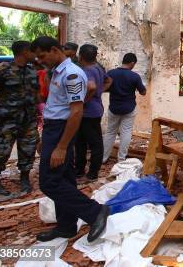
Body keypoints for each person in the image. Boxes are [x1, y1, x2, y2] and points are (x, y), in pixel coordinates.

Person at [30, 36, 108, 242]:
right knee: (63, 179)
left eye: (42, 55)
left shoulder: (72, 74)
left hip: (61, 131)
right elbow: (56, 106)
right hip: (53, 130)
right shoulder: (58, 71)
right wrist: (45, 138)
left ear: (55, 50)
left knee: (49, 182)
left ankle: (95, 212)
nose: (40, 60)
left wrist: (62, 146)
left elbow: (76, 112)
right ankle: (66, 226)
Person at [0, 41, 40, 195]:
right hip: (6, 120)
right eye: (33, 51)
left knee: (28, 150)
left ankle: (24, 179)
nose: (36, 54)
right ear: (25, 52)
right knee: (1, 151)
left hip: (28, 120)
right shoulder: (1, 70)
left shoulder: (32, 71)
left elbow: (36, 95)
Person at [75, 44, 111, 181]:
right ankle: (81, 170)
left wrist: (82, 102)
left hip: (88, 112)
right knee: (83, 142)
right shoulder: (98, 68)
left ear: (81, 56)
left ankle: (91, 173)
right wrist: (99, 92)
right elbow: (109, 81)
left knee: (88, 143)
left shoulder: (87, 70)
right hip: (94, 110)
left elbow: (91, 87)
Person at [102, 53, 146, 163]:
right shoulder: (134, 76)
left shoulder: (111, 73)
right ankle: (121, 159)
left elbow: (105, 88)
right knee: (126, 132)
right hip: (129, 108)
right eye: (134, 64)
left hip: (114, 108)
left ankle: (103, 158)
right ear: (132, 63)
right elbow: (143, 92)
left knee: (110, 132)